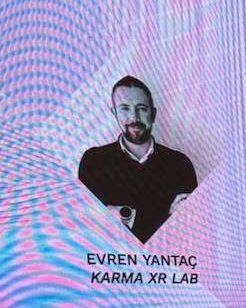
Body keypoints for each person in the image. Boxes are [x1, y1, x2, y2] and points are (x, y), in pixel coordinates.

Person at [78, 77, 198, 244]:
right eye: (125, 108)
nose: (134, 117)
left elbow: (189, 231)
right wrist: (165, 216)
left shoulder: (180, 164)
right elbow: (88, 226)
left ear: (153, 114)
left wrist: (123, 215)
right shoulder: (93, 161)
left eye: (142, 108)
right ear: (114, 113)